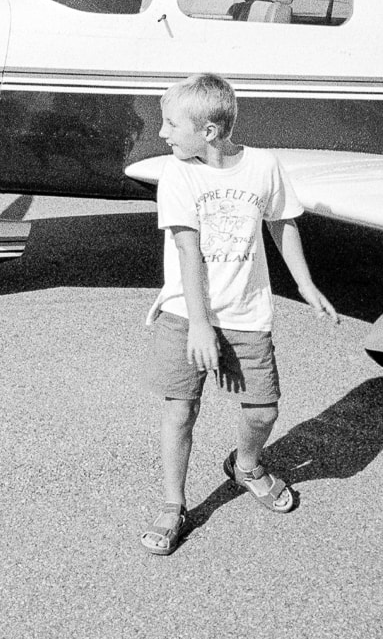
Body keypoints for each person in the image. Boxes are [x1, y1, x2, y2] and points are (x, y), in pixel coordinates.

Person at [140, 73, 338, 555]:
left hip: (247, 315)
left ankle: (246, 466)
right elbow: (188, 252)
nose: (162, 134)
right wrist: (201, 325)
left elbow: (282, 223)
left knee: (263, 410)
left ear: (208, 131)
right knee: (180, 410)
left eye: (170, 124)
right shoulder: (178, 172)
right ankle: (173, 505)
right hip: (187, 315)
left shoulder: (264, 166)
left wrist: (307, 284)